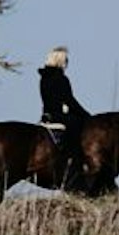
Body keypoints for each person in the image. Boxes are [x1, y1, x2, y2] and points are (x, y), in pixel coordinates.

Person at [38, 46, 92, 178]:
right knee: (78, 125)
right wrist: (86, 115)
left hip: (47, 115)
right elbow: (70, 101)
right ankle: (76, 161)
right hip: (59, 116)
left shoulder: (44, 78)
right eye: (66, 60)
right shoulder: (61, 78)